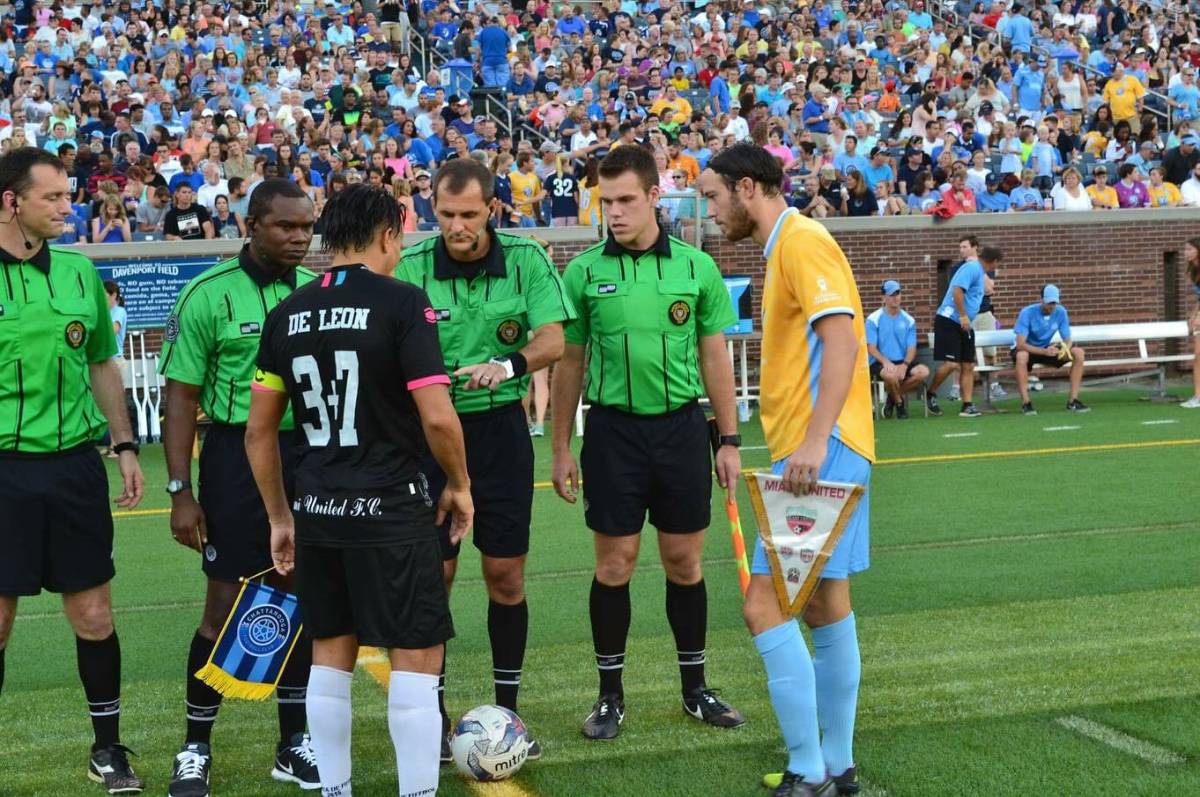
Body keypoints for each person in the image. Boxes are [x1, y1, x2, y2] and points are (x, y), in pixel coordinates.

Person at [247, 182, 471, 797]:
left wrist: (281, 517)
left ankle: (335, 789)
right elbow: (437, 416)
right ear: (388, 235)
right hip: (391, 508)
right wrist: (459, 484)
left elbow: (258, 432)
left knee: (330, 652)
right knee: (416, 657)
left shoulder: (286, 312)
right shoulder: (403, 302)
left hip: (319, 509)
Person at [550, 145, 745, 742]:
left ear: (655, 196)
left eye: (626, 200)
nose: (613, 212)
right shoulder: (583, 272)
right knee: (615, 564)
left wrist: (729, 439)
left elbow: (715, 357)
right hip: (613, 434)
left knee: (684, 562)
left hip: (682, 431)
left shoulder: (696, 268)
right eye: (605, 202)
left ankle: (695, 689)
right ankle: (609, 696)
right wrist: (560, 447)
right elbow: (569, 364)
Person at [697, 143, 874, 797]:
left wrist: (814, 442)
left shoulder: (801, 241)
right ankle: (838, 765)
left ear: (748, 187)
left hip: (821, 451)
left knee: (763, 605)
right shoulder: (786, 248)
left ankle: (808, 769)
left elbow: (843, 340)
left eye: (714, 197)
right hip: (825, 447)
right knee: (826, 605)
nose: (710, 211)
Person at [394, 158, 575, 761]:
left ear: (492, 209)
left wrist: (506, 365)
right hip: (428, 434)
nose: (456, 226)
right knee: (435, 577)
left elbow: (553, 339)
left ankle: (508, 714)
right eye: (446, 214)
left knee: (505, 574)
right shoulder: (411, 267)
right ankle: (434, 715)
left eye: (469, 214)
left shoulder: (526, 259)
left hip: (500, 433)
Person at [159, 179, 321, 797]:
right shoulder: (208, 294)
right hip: (233, 457)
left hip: (306, 456)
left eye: (307, 227)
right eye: (286, 226)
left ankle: (293, 743)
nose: (300, 238)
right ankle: (195, 746)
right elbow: (180, 399)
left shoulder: (316, 293)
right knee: (224, 605)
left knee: (298, 598)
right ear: (251, 225)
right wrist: (180, 490)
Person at [0, 147, 146, 793]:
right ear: (11, 201)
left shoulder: (81, 273)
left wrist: (124, 443)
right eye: (54, 197)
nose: (68, 207)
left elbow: (101, 364)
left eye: (68, 196)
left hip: (74, 469)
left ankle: (108, 749)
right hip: (3, 473)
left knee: (94, 615)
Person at [925, 236, 997, 418]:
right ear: (993, 261)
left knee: (968, 365)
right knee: (951, 364)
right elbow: (957, 290)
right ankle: (930, 393)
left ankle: (967, 405)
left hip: (965, 324)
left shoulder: (980, 272)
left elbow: (989, 289)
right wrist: (964, 315)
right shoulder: (972, 268)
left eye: (965, 246)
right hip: (949, 319)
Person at [1011, 284, 1090, 415]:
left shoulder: (1061, 312)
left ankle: (1073, 401)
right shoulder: (1027, 312)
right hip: (1028, 348)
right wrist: (1044, 352)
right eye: (1049, 303)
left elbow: (1068, 339)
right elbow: (1020, 344)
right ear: (1041, 300)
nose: (1052, 306)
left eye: (1054, 303)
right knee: (1022, 356)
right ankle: (1026, 403)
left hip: (1046, 348)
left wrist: (1064, 349)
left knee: (1078, 352)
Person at [867, 280, 930, 419]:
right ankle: (900, 404)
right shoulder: (873, 319)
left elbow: (911, 347)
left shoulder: (909, 320)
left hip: (902, 361)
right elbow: (871, 348)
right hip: (880, 362)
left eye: (898, 293)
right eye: (891, 294)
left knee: (923, 372)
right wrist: (886, 362)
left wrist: (905, 365)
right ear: (883, 297)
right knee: (891, 376)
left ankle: (892, 398)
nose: (896, 297)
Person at [1182, 238, 1200, 409]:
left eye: (1189, 249)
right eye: (1185, 249)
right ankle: (1198, 396)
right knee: (1198, 357)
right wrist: (1193, 314)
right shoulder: (1193, 270)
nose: (1186, 252)